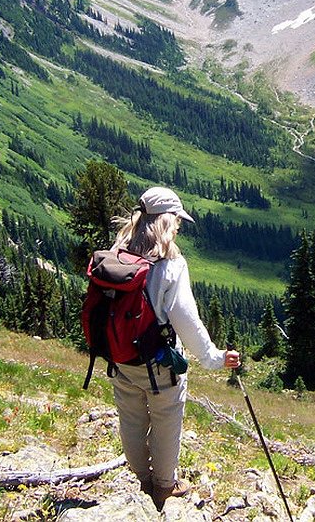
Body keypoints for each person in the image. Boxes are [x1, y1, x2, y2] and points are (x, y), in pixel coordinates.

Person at [108, 186, 241, 510]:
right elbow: (186, 320)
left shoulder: (117, 253)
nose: (179, 226)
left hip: (121, 358)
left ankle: (141, 479)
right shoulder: (170, 265)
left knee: (131, 419)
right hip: (159, 366)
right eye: (177, 221)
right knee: (166, 421)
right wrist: (214, 358)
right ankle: (163, 487)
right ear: (166, 221)